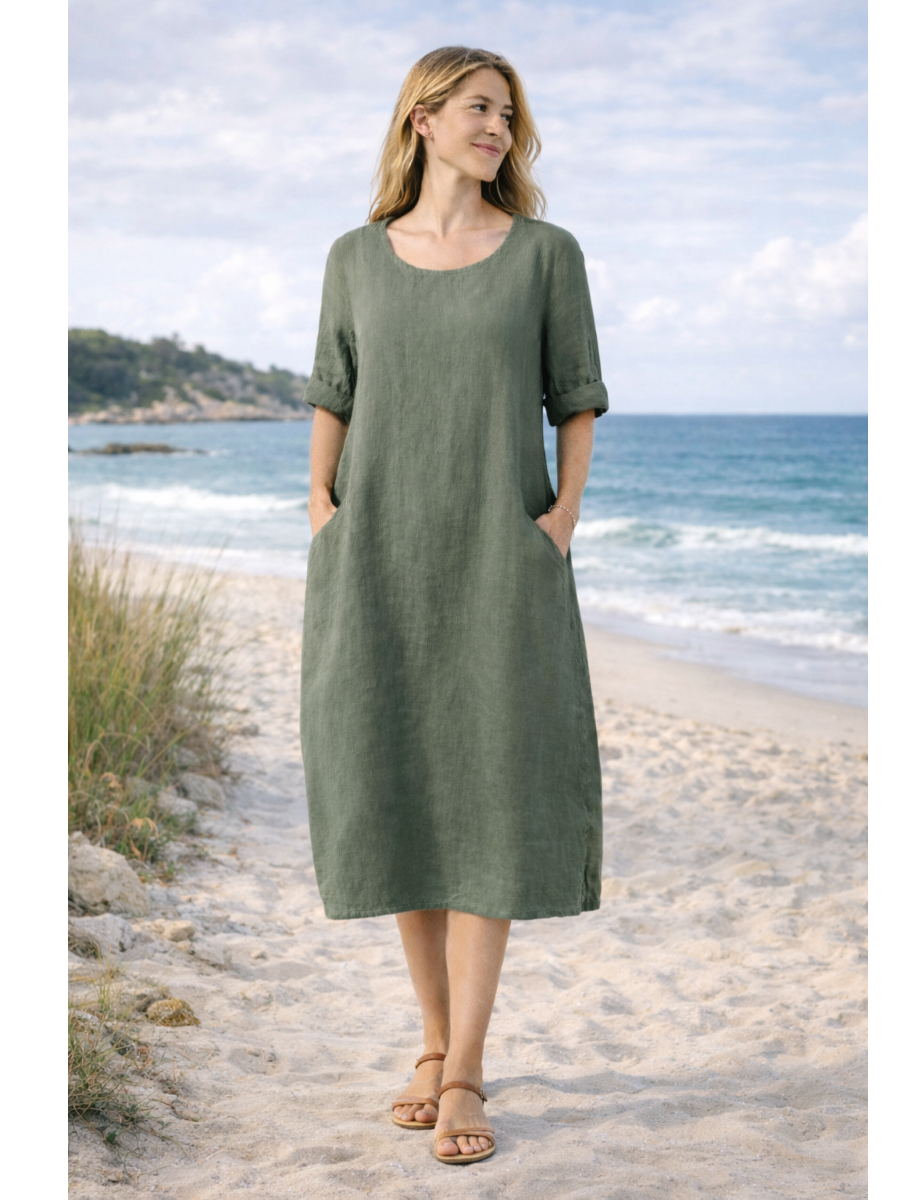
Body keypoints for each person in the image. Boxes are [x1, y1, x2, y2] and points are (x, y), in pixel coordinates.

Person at [300, 45, 607, 1166]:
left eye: (509, 114)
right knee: (404, 790)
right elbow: (334, 391)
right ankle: (429, 1044)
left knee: (489, 795)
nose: (498, 128)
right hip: (378, 557)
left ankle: (467, 1066)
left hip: (498, 559)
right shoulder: (354, 257)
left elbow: (576, 397)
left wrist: (558, 519)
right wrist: (322, 508)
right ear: (422, 118)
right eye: (480, 108)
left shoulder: (544, 255)